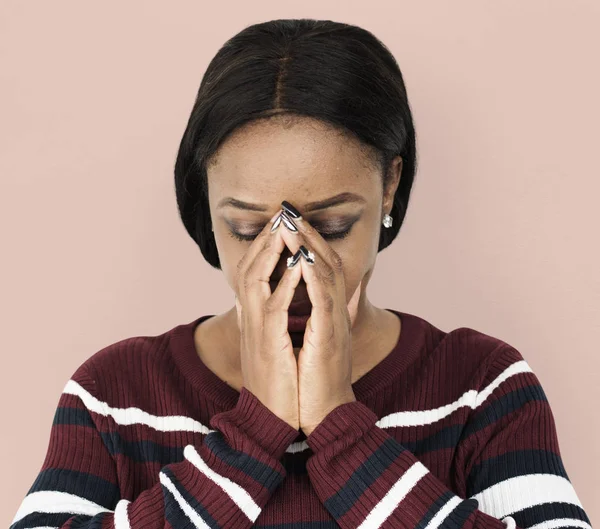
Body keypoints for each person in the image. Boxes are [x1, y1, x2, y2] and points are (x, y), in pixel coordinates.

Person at [10, 18, 593, 529]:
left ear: (389, 185)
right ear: (205, 198)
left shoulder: (480, 386)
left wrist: (341, 427)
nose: (291, 262)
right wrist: (252, 434)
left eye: (332, 224)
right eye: (246, 228)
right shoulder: (116, 394)